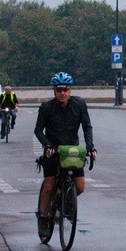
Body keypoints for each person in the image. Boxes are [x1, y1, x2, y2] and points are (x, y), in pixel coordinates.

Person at [34, 72, 97, 229]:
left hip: (72, 151)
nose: (62, 93)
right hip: (53, 150)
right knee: (49, 184)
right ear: (54, 91)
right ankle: (43, 216)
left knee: (80, 186)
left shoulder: (79, 104)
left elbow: (87, 126)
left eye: (66, 90)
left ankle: (66, 203)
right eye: (59, 90)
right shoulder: (46, 107)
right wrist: (47, 146)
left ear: (70, 90)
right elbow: (38, 130)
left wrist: (90, 147)